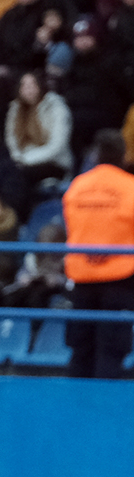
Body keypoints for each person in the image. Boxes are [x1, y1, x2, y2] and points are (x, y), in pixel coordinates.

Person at [61, 129, 134, 377]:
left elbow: (70, 224)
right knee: (111, 350)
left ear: (96, 155)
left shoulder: (77, 186)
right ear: (123, 155)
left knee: (81, 348)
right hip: (120, 277)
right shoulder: (130, 187)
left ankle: (75, 410)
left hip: (82, 276)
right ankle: (102, 411)